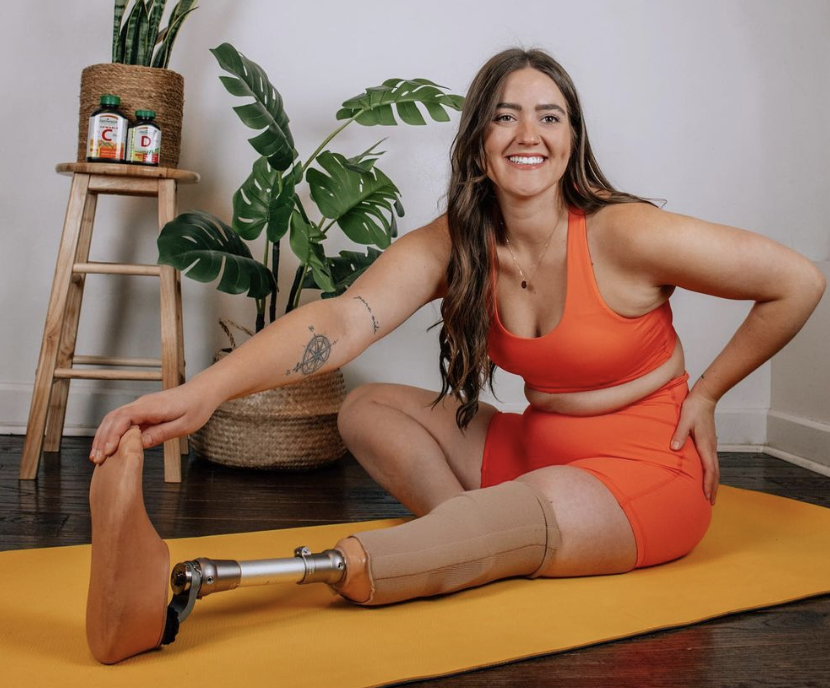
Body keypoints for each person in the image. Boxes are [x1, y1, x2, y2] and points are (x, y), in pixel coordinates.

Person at [87, 48, 825, 661]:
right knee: (368, 406)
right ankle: (473, 538)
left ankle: (181, 588)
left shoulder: (624, 233)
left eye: (549, 116)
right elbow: (344, 320)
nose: (527, 133)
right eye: (504, 115)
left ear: (572, 138)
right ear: (478, 140)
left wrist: (706, 395)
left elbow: (796, 281)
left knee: (506, 515)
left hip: (646, 473)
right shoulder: (459, 242)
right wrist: (204, 394)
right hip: (539, 449)